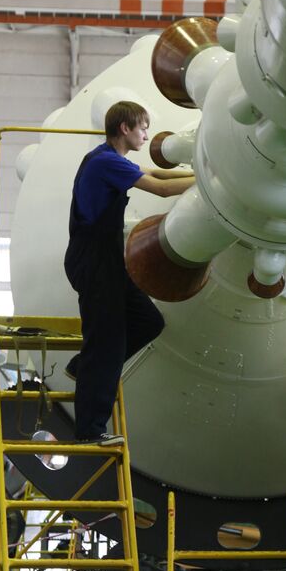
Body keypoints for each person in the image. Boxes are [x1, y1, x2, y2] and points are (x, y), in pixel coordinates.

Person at [64, 100, 195, 444]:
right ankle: (90, 431)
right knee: (106, 343)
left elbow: (159, 174)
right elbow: (162, 188)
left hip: (107, 260)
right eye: (142, 127)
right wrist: (213, 186)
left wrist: (206, 172)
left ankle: (84, 367)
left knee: (148, 321)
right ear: (125, 128)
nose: (146, 134)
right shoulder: (107, 162)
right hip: (93, 260)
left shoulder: (107, 158)